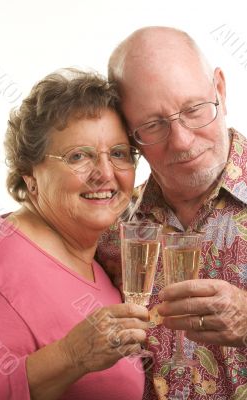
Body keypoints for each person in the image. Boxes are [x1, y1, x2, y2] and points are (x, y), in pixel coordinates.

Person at [97, 26, 247, 398]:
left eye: (194, 109)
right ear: (129, 135)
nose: (182, 141)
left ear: (221, 91)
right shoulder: (110, 224)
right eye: (153, 125)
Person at [0, 68, 150, 400]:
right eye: (78, 156)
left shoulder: (100, 257)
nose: (105, 173)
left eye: (118, 153)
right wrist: (71, 356)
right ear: (30, 176)